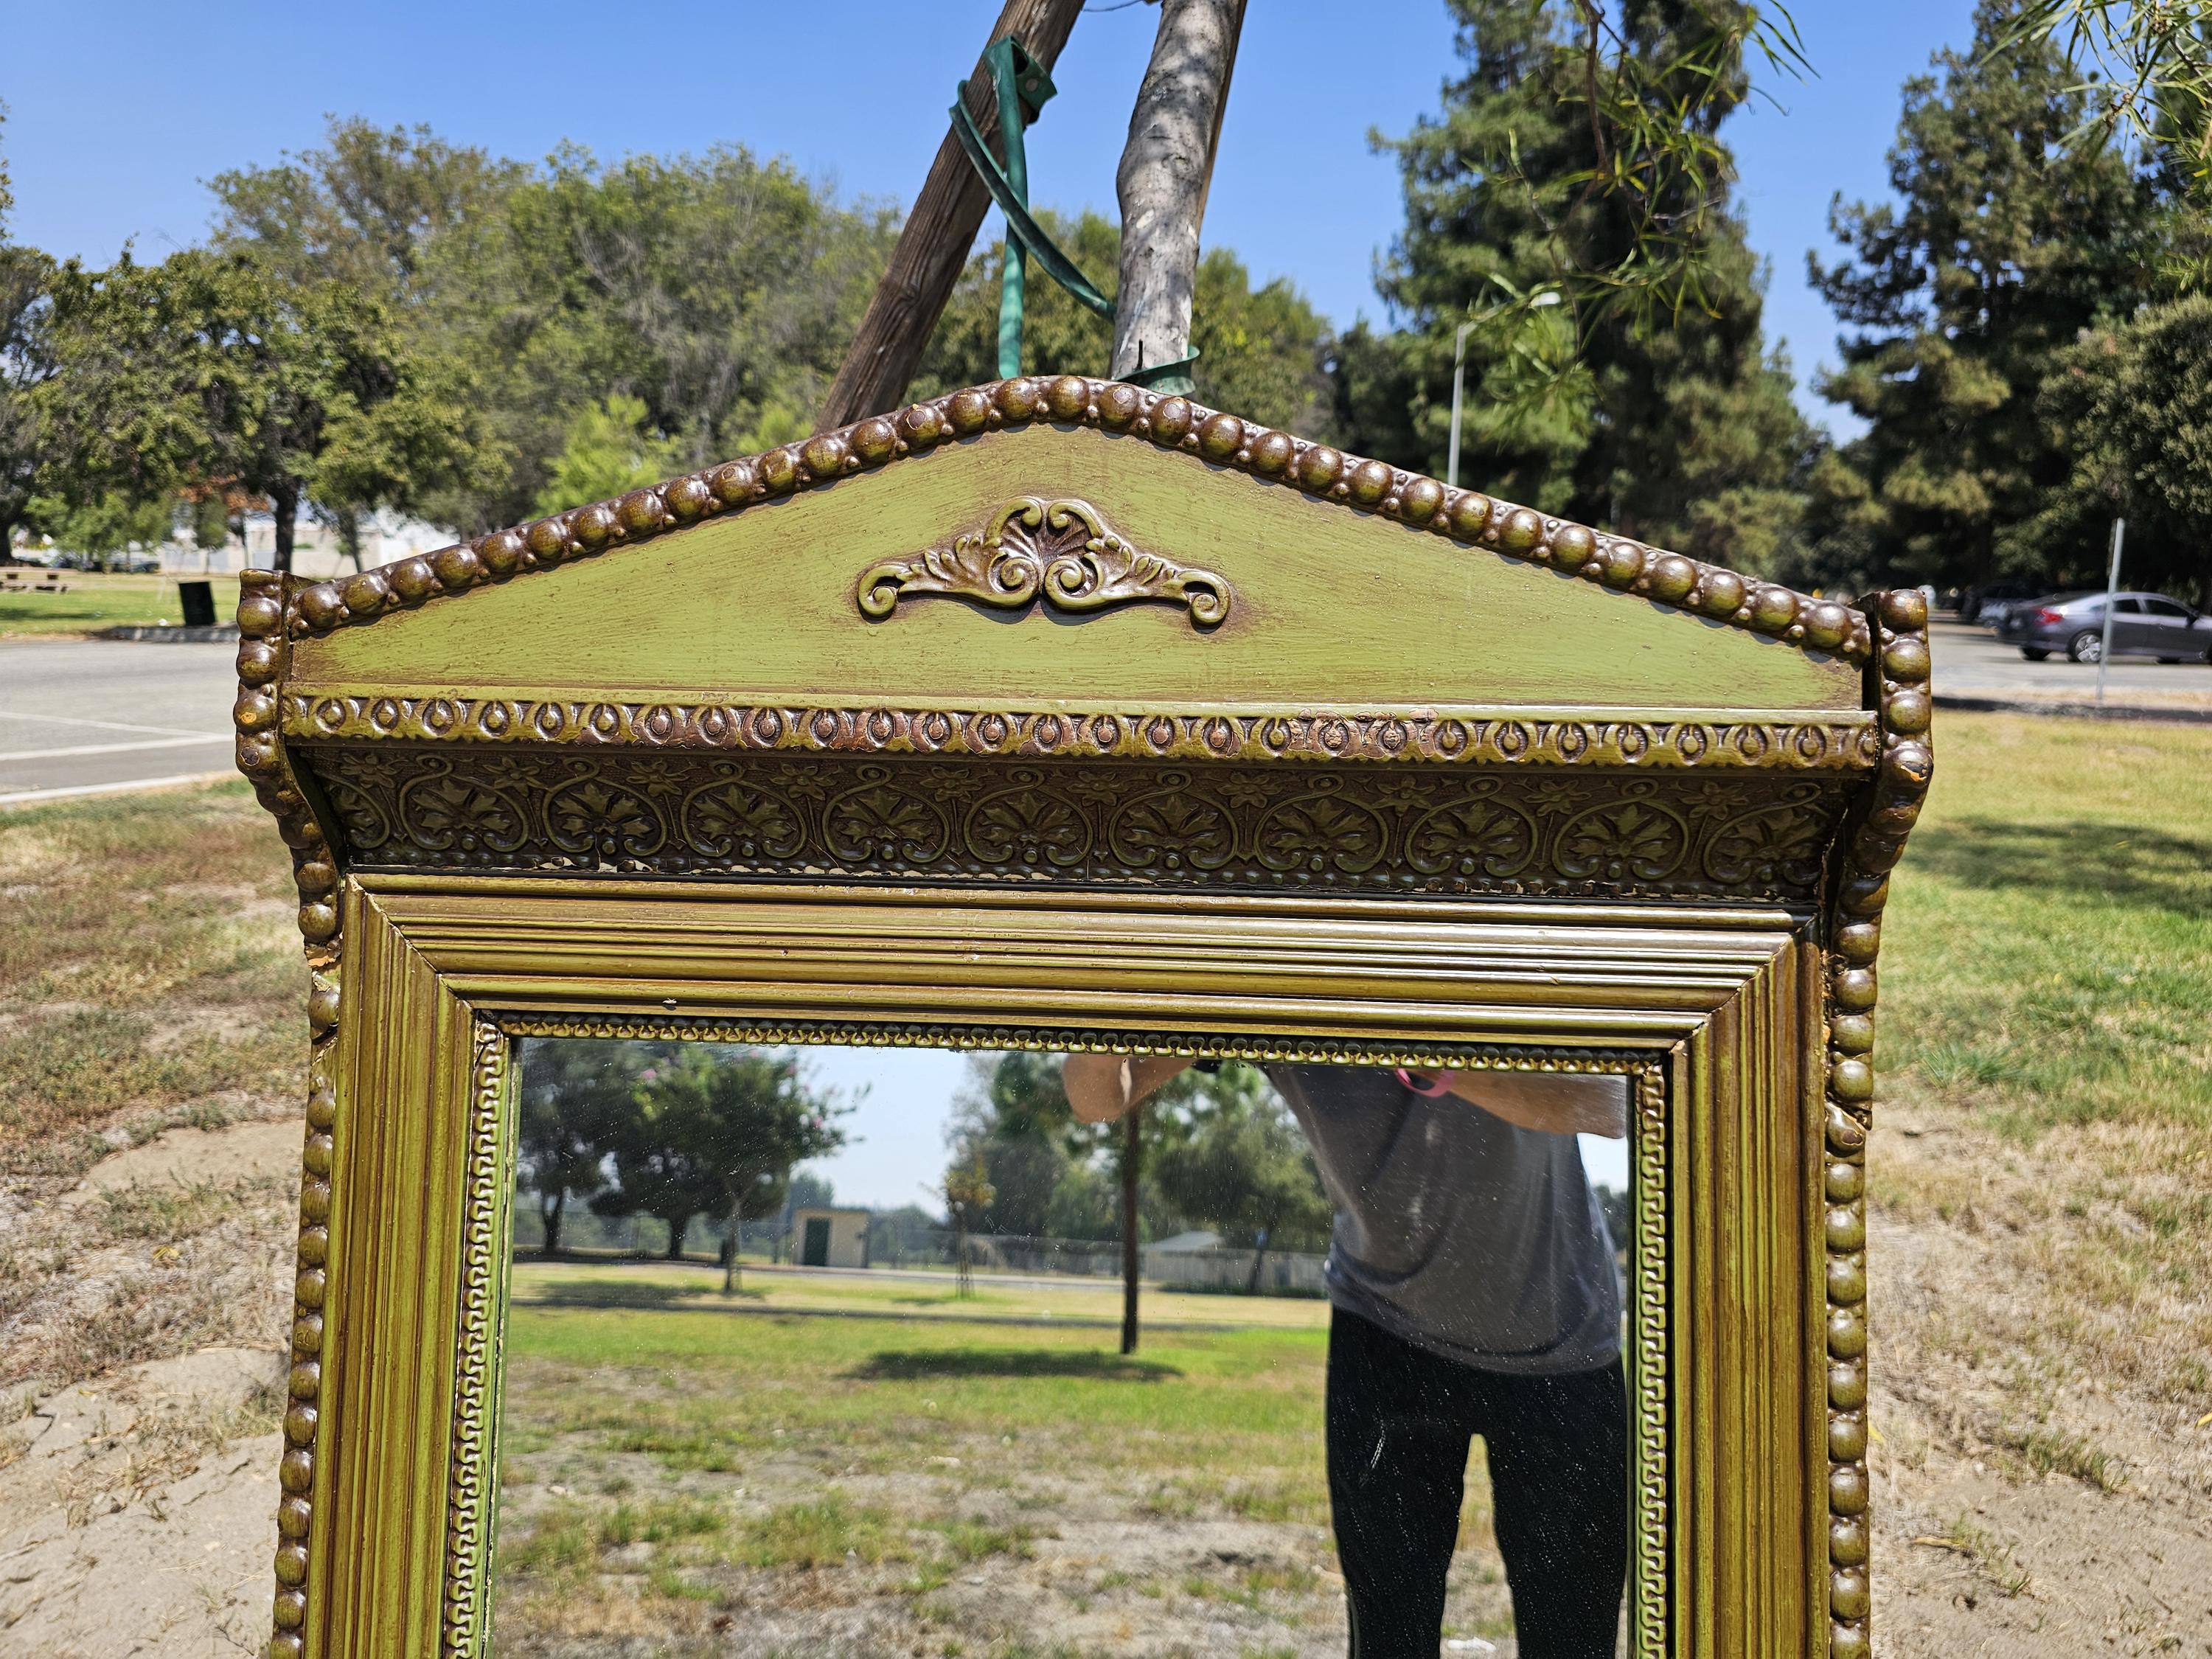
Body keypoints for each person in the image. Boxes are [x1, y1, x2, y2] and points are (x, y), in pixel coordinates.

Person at [1063, 1054, 1628, 1659]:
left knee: (1574, 1635)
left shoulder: (1495, 958)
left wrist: (1426, 1054)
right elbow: (1099, 1097)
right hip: (1385, 1334)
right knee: (1390, 1634)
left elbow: (1607, 1102)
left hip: (1564, 1337)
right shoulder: (1275, 976)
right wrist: (1115, 971)